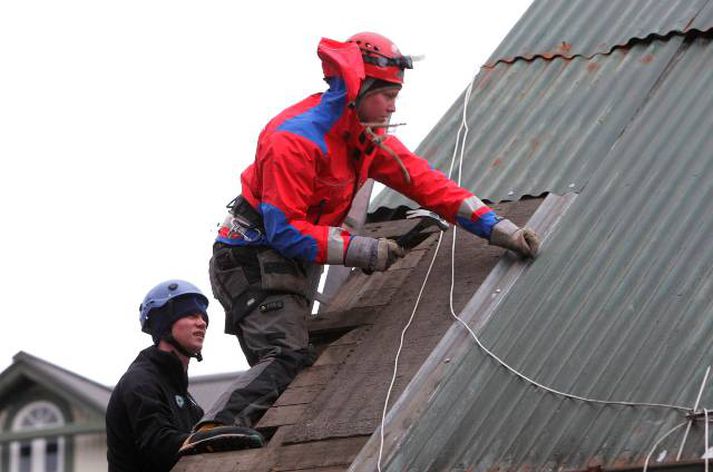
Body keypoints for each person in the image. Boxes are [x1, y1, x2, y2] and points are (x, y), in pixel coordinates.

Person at [181, 32, 540, 453]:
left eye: (395, 95)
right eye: (386, 95)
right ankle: (215, 426)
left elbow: (430, 185)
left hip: (286, 259)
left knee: (298, 370)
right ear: (357, 90)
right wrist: (361, 248)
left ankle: (237, 433)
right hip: (248, 258)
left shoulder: (365, 139)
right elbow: (285, 230)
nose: (393, 106)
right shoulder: (293, 140)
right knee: (284, 354)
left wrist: (499, 228)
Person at [106, 280, 212, 471]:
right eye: (190, 314)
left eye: (203, 317)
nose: (201, 322)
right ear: (164, 324)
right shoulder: (140, 381)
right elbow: (159, 444)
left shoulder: (189, 402)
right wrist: (212, 440)